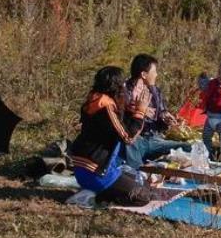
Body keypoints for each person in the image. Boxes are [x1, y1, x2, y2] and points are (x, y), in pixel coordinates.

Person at [69, 66, 154, 206]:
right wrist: (140, 112)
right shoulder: (105, 105)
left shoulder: (96, 99)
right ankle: (94, 197)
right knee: (143, 197)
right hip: (95, 171)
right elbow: (127, 136)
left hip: (85, 168)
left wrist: (132, 110)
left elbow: (118, 125)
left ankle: (94, 192)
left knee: (143, 184)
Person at [123, 53, 190, 169]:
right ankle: (140, 173)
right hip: (135, 140)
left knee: (188, 147)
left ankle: (161, 168)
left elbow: (161, 112)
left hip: (154, 139)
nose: (156, 75)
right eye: (154, 72)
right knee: (130, 148)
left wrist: (166, 118)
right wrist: (139, 110)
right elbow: (121, 118)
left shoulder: (155, 91)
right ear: (144, 74)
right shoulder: (124, 91)